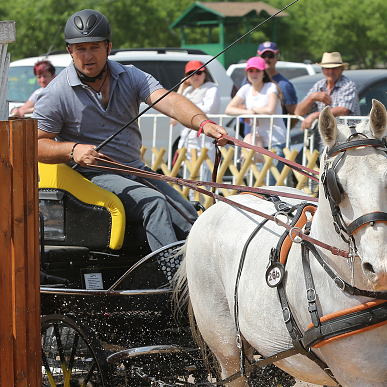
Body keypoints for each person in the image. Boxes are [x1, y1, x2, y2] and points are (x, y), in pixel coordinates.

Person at [34, 9, 227, 251]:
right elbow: (36, 144)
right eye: (80, 48)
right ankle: (175, 280)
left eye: (94, 47)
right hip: (87, 177)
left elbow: (169, 101)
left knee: (187, 214)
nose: (88, 55)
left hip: (134, 169)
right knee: (154, 203)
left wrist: (203, 122)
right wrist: (72, 150)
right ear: (69, 51)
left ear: (108, 47)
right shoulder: (56, 93)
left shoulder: (131, 76)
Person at [224, 56, 287, 151]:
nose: (254, 73)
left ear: (264, 73)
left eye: (257, 70)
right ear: (247, 74)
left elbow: (270, 109)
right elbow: (228, 109)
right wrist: (250, 113)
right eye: (251, 71)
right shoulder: (246, 88)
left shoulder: (271, 86)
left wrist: (253, 110)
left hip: (276, 141)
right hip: (256, 142)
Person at [171, 59, 220, 180]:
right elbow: (173, 117)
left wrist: (185, 110)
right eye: (191, 73)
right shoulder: (187, 92)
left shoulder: (211, 89)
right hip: (187, 143)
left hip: (204, 143)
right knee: (189, 183)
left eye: (199, 72)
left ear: (205, 74)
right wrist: (182, 87)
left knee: (204, 181)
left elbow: (209, 108)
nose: (195, 76)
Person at [295, 52, 359, 131]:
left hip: (347, 136)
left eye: (334, 68)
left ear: (341, 69)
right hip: (325, 136)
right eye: (327, 68)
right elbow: (298, 112)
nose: (330, 71)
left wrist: (315, 115)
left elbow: (343, 110)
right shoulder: (319, 85)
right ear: (322, 70)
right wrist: (312, 97)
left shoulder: (348, 84)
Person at [257, 41, 298, 115]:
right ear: (258, 57)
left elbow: (294, 115)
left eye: (270, 55)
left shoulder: (285, 85)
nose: (267, 58)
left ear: (277, 58)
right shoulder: (250, 81)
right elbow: (240, 105)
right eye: (263, 55)